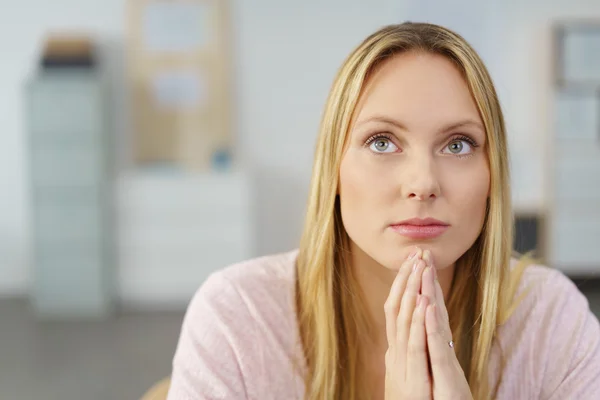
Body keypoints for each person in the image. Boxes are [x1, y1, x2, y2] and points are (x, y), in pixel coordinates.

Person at [165, 22, 600, 400]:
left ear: (493, 172)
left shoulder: (548, 317)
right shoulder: (238, 317)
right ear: (332, 168)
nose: (422, 183)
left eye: (458, 144)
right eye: (381, 142)